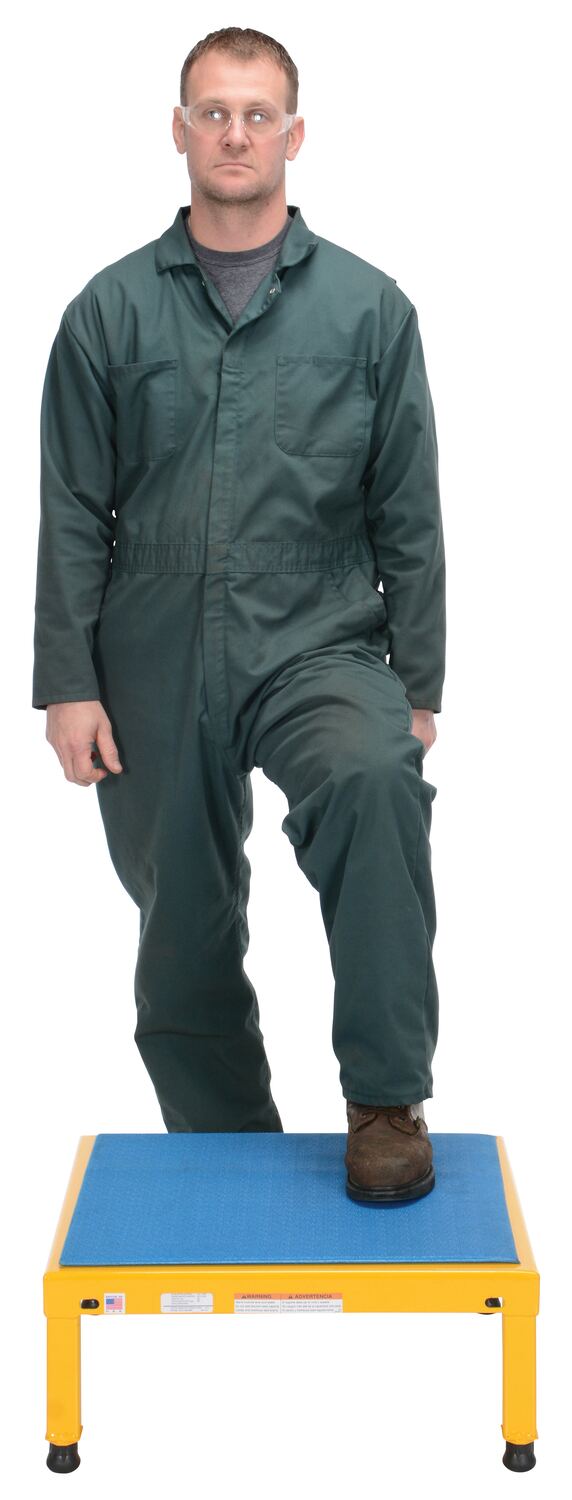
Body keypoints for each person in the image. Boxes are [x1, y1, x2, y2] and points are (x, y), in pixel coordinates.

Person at [32, 26, 446, 1204]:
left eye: (257, 114)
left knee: (371, 781)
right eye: (212, 112)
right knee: (182, 917)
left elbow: (407, 508)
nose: (233, 134)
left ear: (292, 136)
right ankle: (228, 1146)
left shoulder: (368, 309)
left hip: (317, 632)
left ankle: (384, 1099)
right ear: (178, 130)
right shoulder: (108, 311)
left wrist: (416, 687)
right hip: (149, 643)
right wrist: (69, 682)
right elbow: (73, 506)